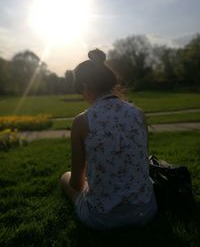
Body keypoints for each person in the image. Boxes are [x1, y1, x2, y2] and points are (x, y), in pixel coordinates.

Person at [60, 49, 157, 230]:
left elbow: (76, 184)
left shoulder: (82, 121)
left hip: (101, 218)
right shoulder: (139, 114)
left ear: (84, 87)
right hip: (146, 211)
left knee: (65, 178)